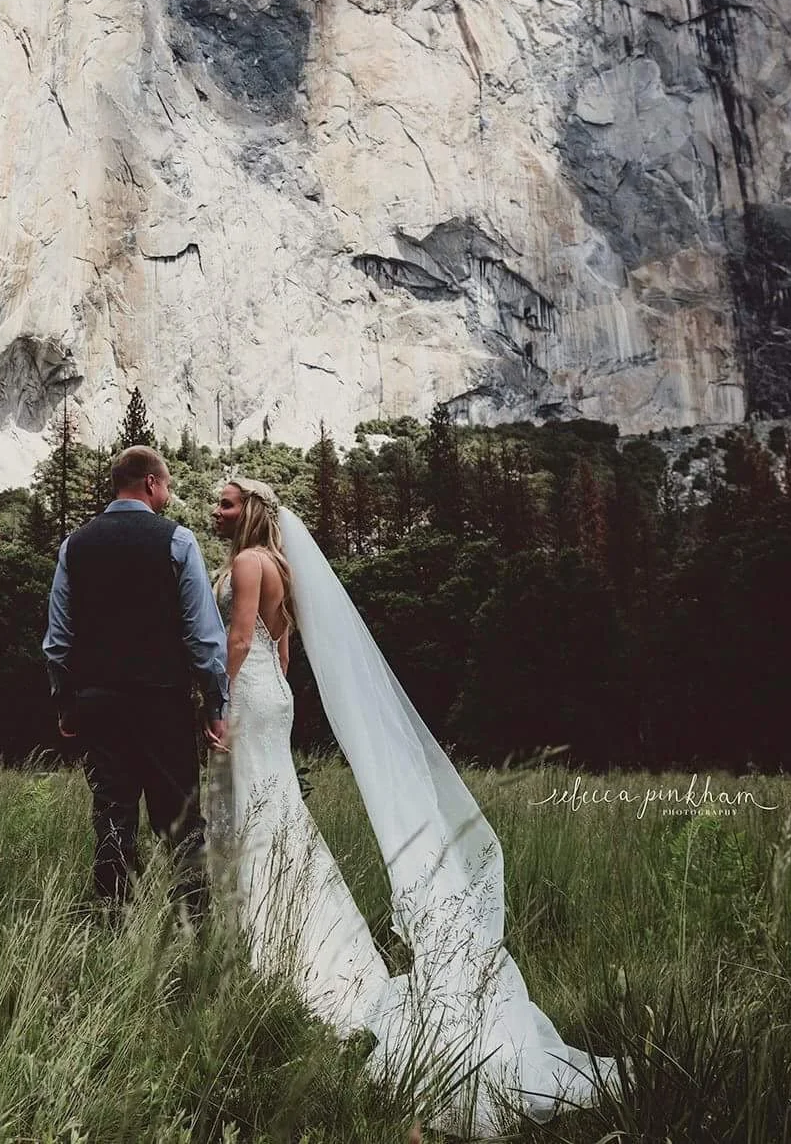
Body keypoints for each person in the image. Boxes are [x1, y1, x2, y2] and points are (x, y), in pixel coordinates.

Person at [209, 475, 622, 1139]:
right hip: (271, 697)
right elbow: (281, 647)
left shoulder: (249, 563)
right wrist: (269, 689)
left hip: (246, 697)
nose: (215, 510)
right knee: (278, 815)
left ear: (251, 509)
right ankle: (289, 940)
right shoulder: (280, 564)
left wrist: (218, 704)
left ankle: (268, 946)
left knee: (258, 815)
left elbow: (237, 641)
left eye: (226, 502)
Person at [41, 445, 229, 909]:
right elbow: (204, 637)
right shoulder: (178, 541)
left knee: (112, 814)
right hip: (162, 700)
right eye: (167, 485)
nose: (168, 494)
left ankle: (114, 917)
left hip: (99, 702)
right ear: (150, 482)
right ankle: (192, 922)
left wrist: (65, 702)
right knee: (181, 818)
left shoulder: (74, 546)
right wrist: (215, 702)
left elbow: (57, 640)